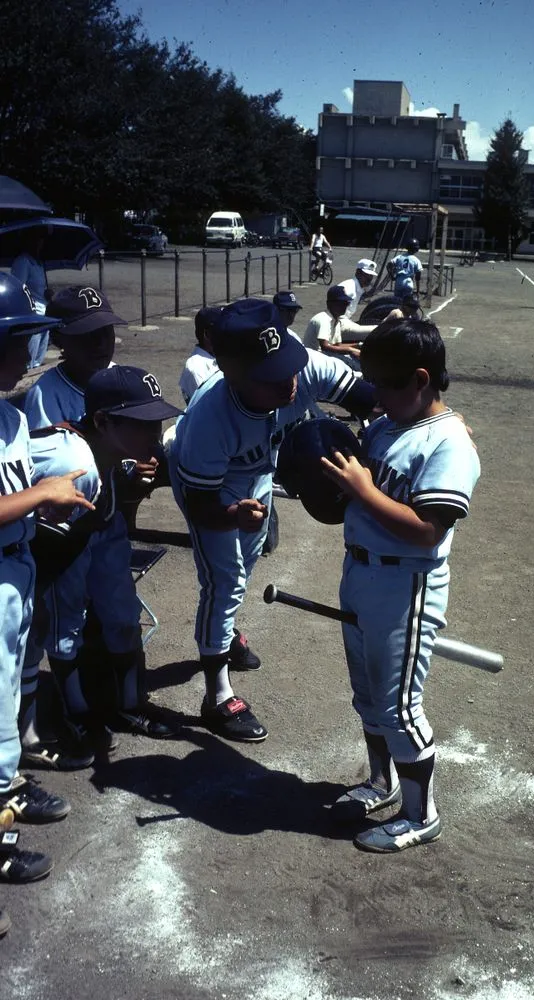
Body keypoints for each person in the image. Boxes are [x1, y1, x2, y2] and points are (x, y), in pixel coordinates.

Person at [168, 298, 375, 744]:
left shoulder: (300, 368)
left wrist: (434, 419)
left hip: (257, 471)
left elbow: (371, 398)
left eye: (289, 366)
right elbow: (203, 505)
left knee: (249, 561)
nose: (289, 382)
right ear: (232, 371)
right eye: (271, 374)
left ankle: (226, 631)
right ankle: (217, 698)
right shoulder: (209, 419)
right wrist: (231, 514)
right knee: (223, 581)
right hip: (211, 487)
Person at [320, 317, 480, 853]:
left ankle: (420, 814)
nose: (376, 396)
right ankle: (381, 782)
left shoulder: (450, 444)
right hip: (360, 574)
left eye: (385, 385)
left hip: (405, 585)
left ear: (419, 378)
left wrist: (364, 493)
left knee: (398, 706)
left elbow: (427, 531)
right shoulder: (390, 424)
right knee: (367, 696)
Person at [24, 366, 182, 758]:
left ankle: (128, 706)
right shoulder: (73, 465)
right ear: (102, 421)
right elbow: (49, 555)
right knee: (63, 621)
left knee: (122, 613)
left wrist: (129, 485)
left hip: (96, 521)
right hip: (38, 541)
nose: (154, 433)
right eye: (142, 424)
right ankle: (76, 712)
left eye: (156, 422)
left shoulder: (106, 450)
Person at [0, 273, 96, 889]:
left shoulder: (9, 416)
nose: (28, 353)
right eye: (16, 341)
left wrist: (43, 498)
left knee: (9, 691)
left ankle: (6, 787)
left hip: (16, 564)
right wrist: (39, 493)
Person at [23, 285, 123, 429]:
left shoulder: (121, 378)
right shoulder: (45, 397)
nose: (101, 343)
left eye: (106, 330)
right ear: (58, 339)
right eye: (88, 334)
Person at [303, 285, 377, 371]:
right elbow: (325, 346)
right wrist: (350, 350)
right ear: (330, 304)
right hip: (314, 360)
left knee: (360, 360)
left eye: (347, 303)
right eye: (342, 303)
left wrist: (358, 345)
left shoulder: (336, 320)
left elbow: (337, 345)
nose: (345, 306)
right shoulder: (323, 319)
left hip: (326, 356)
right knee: (357, 367)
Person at [11, 226, 51, 369]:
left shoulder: (39, 263)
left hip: (44, 312)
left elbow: (40, 289)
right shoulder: (23, 262)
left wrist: (48, 293)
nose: (40, 243)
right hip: (31, 314)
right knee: (29, 356)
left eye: (41, 240)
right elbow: (18, 288)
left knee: (40, 356)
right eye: (36, 239)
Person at [179, 306, 220, 405]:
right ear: (207, 334)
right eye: (222, 330)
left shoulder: (223, 356)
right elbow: (211, 408)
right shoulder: (196, 368)